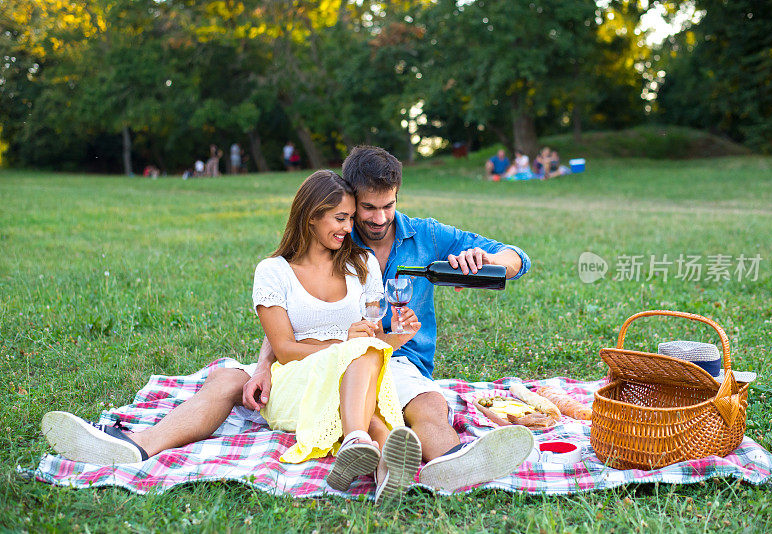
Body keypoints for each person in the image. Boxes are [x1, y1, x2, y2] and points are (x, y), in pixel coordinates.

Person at [40, 170, 425, 504]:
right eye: (341, 218)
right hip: (298, 378)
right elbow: (287, 350)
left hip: (357, 372)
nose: (348, 228)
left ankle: (377, 462)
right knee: (239, 375)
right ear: (311, 217)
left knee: (364, 361)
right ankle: (140, 444)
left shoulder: (363, 265)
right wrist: (346, 343)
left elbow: (374, 345)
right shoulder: (274, 272)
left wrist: (398, 337)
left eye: (349, 219)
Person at [339, 145, 534, 493]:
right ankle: (450, 461)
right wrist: (265, 364)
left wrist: (485, 259)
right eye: (368, 208)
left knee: (427, 402)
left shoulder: (426, 235)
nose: (380, 219)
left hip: (404, 359)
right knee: (416, 403)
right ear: (351, 200)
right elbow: (293, 301)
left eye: (389, 205)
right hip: (343, 355)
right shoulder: (335, 235)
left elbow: (518, 260)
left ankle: (453, 461)